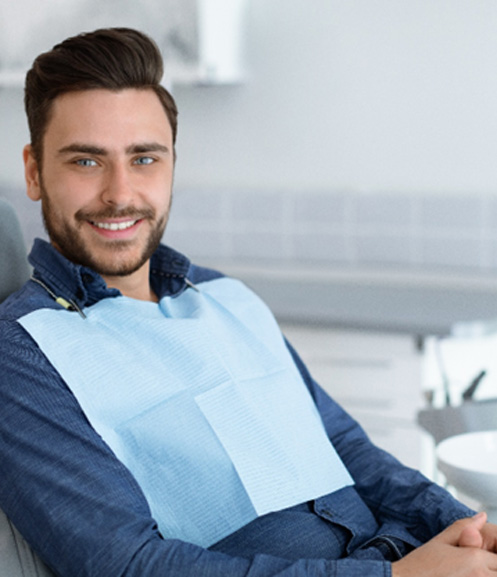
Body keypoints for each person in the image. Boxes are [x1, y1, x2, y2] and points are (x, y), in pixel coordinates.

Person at [0, 27, 496, 577]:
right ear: (33, 171)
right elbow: (126, 565)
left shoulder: (222, 296)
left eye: (144, 159)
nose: (120, 192)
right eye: (86, 162)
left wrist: (469, 528)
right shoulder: (23, 351)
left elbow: (346, 447)